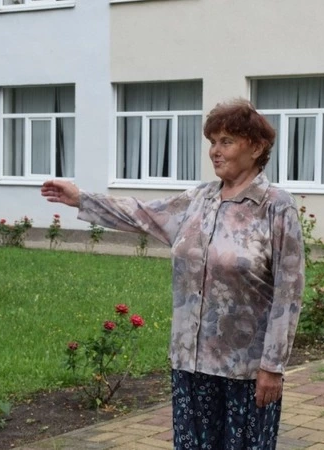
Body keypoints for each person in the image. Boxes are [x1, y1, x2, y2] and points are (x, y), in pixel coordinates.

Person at [41, 98, 304, 450]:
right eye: (212, 141)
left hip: (245, 369)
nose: (215, 151)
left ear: (256, 148)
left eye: (226, 141)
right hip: (190, 362)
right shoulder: (199, 199)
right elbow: (142, 214)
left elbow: (289, 292)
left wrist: (272, 365)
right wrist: (81, 199)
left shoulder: (276, 206)